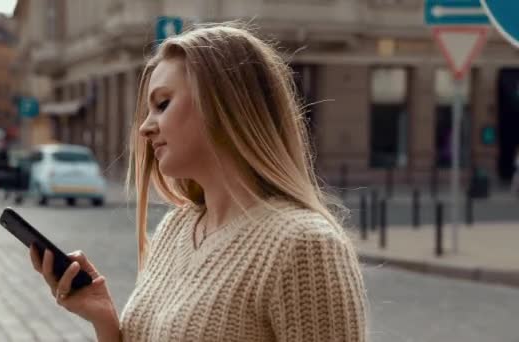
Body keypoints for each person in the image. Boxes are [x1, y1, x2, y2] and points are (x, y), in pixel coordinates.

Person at [29, 24, 367, 341]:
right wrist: (103, 318)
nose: (146, 127)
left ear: (226, 107)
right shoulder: (177, 226)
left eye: (162, 104)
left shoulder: (304, 245)